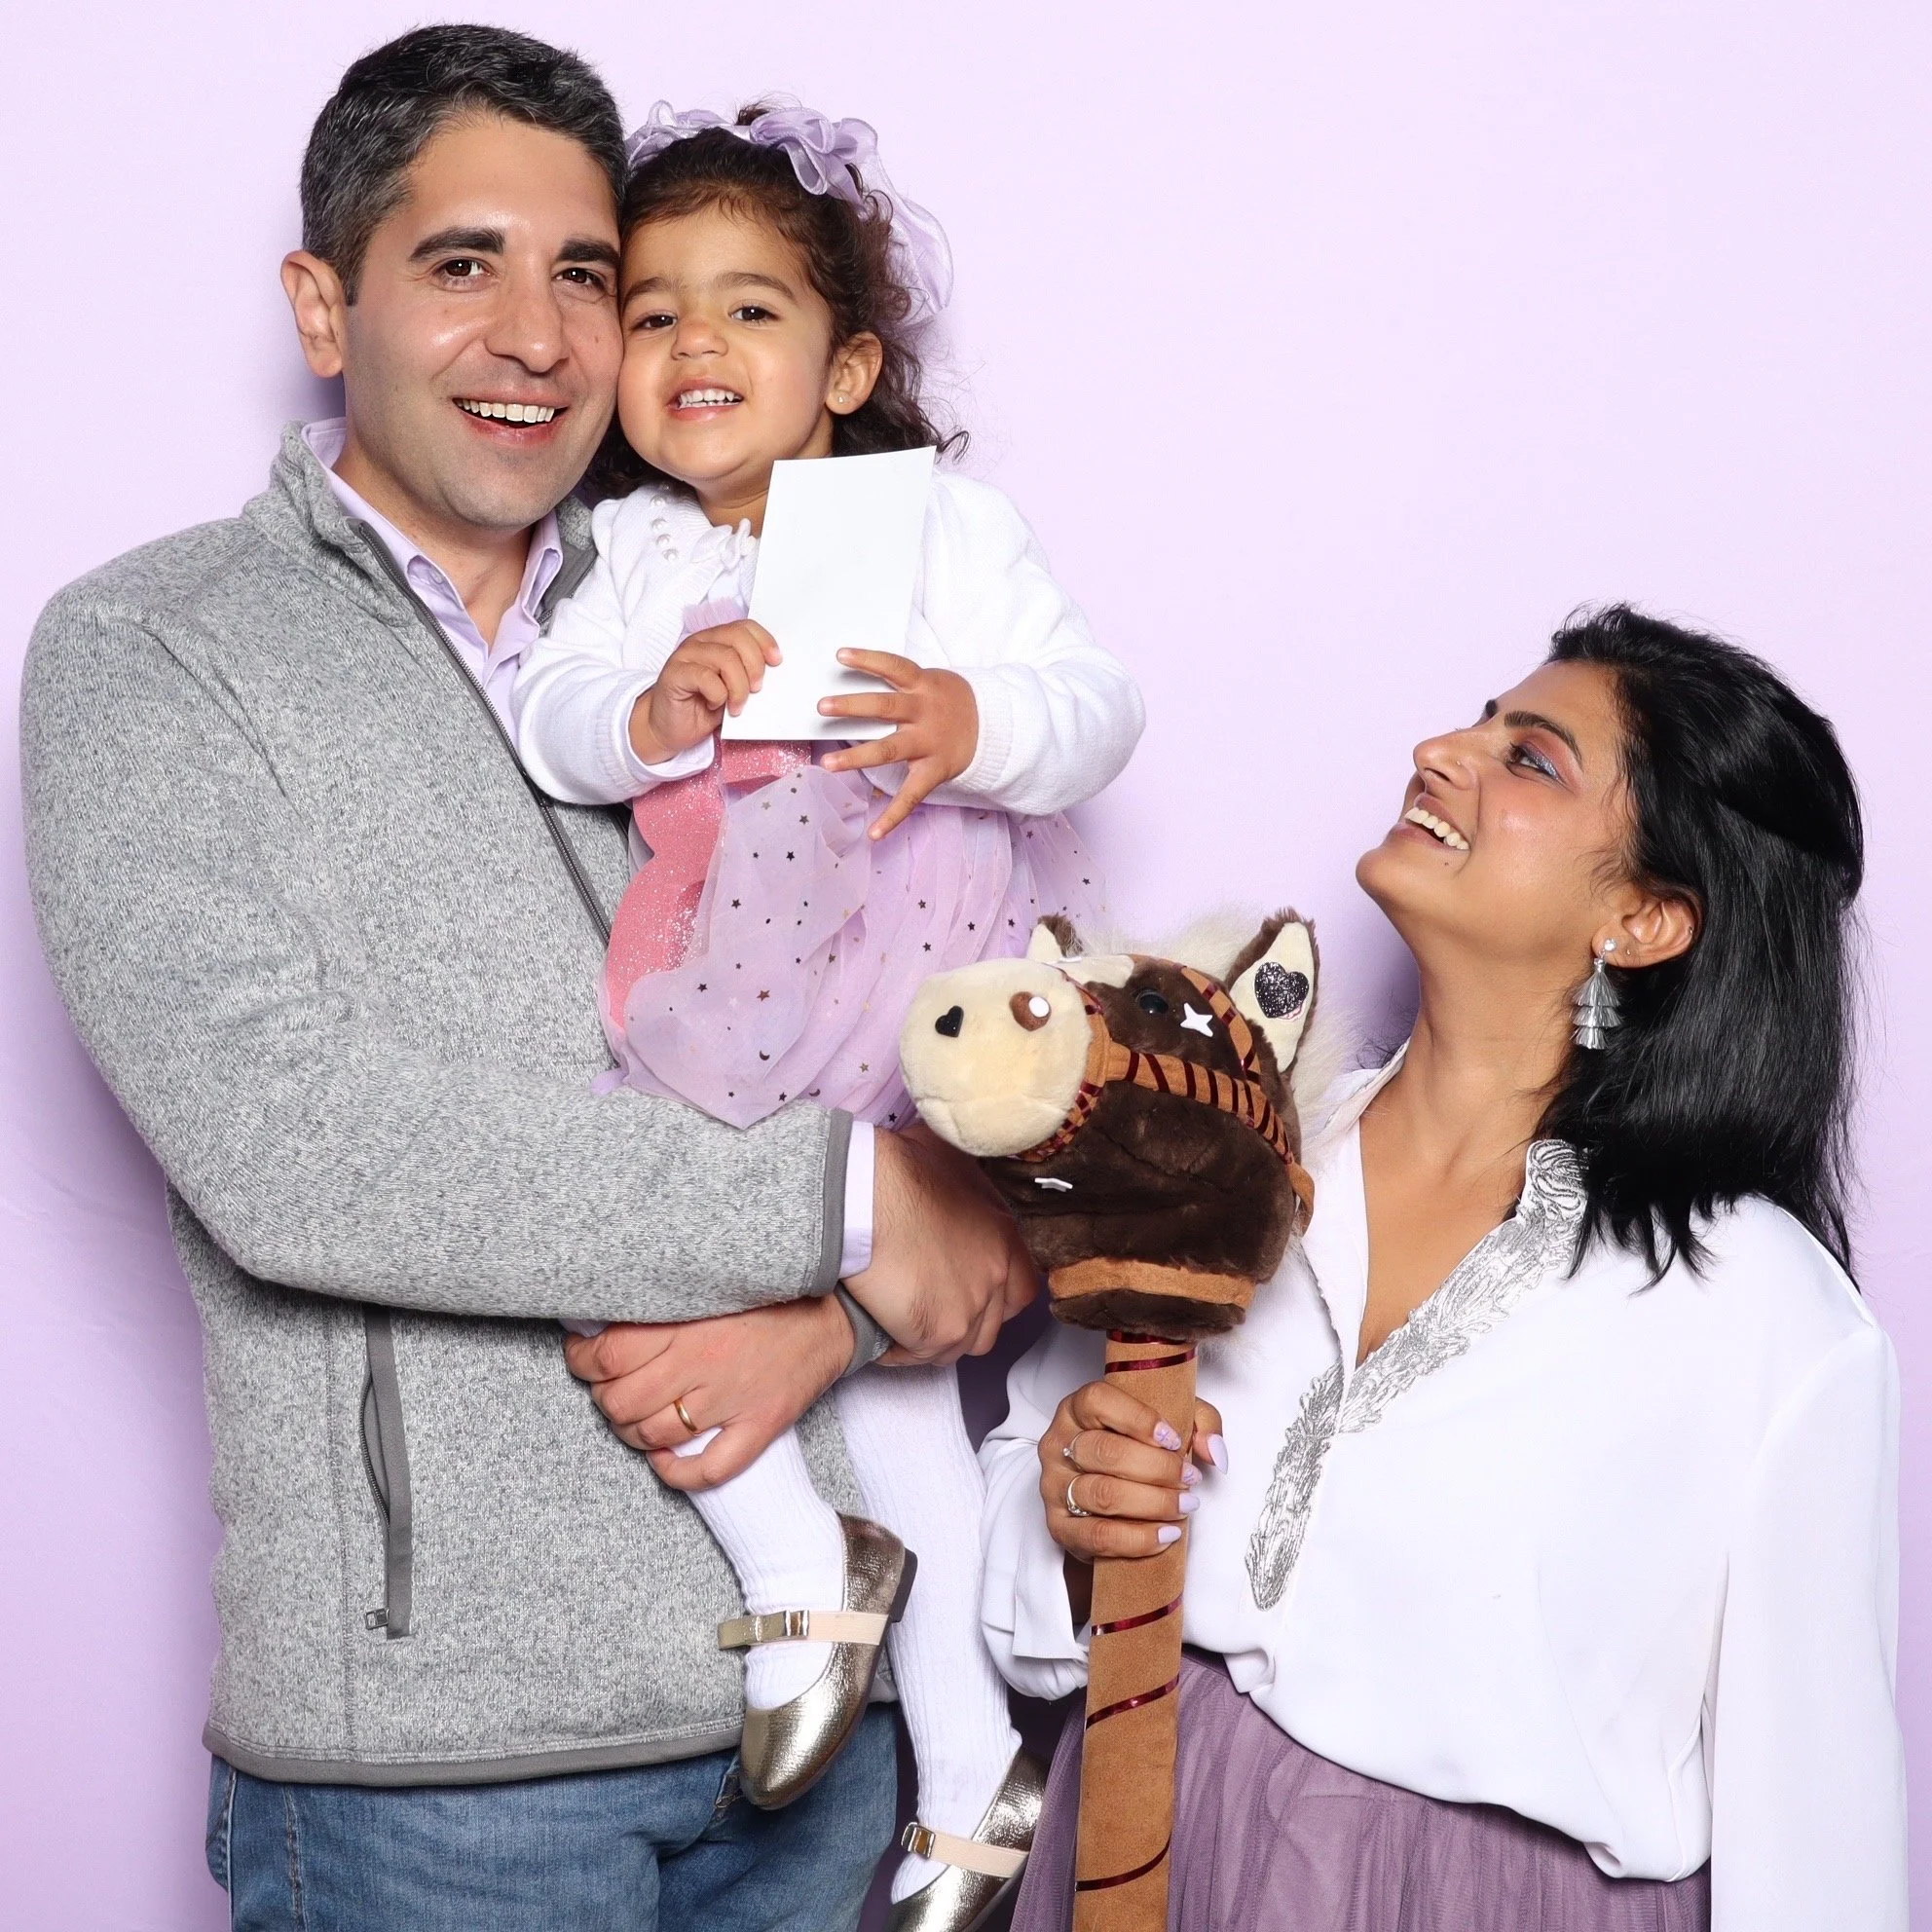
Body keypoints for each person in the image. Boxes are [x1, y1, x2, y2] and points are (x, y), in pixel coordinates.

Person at [19, 27, 1034, 1932]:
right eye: (460, 263)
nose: (541, 335)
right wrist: (837, 1205)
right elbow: (292, 1145)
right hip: (447, 1772)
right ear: (326, 303)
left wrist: (834, 1307)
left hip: (834, 1750)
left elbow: (950, 1087)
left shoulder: (741, 598)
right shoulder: (153, 653)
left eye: (586, 273)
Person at [981, 608, 1907, 1931]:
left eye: (1530, 758)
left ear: (1643, 920)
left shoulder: (1772, 1320)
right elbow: (1016, 1547)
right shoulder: (1220, 1159)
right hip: (1139, 1848)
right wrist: (1069, 1512)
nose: (1437, 752)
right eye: (1478, 720)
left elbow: (1822, 1850)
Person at [512, 99, 1142, 1927]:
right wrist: (639, 711)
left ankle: (913, 1712)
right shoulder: (626, 558)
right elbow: (553, 710)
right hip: (739, 973)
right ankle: (857, 1632)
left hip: (914, 961)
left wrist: (972, 718)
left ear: (849, 360)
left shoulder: (939, 521)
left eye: (751, 311)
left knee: (905, 1384)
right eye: (651, 312)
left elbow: (1093, 704)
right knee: (676, 1266)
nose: (694, 345)